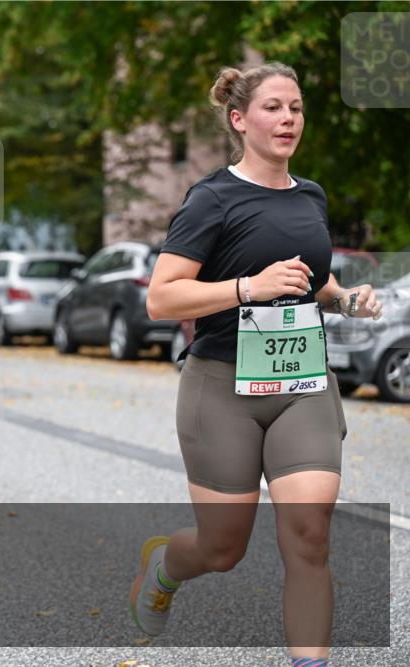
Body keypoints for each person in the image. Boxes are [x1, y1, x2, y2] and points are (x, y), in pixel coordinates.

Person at [133, 63, 383, 667]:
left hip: (303, 382)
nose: (288, 119)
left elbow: (312, 276)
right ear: (240, 120)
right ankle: (165, 567)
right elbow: (162, 298)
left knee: (310, 534)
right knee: (223, 549)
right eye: (273, 107)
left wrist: (345, 299)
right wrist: (248, 287)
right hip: (222, 387)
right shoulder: (212, 197)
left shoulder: (310, 195)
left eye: (295, 107)